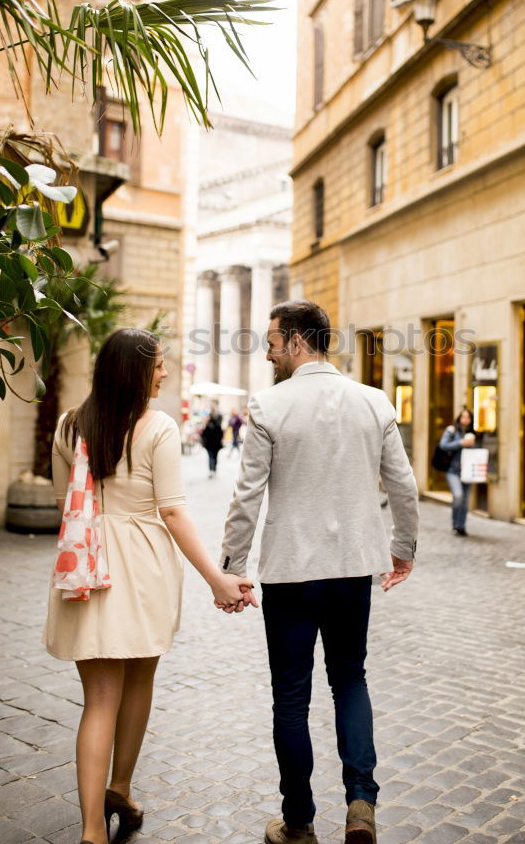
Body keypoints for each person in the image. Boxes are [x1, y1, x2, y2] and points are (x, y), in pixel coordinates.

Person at [219, 300, 419, 844]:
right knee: (350, 680)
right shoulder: (373, 402)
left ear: (299, 342)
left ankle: (300, 822)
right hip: (354, 570)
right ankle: (360, 805)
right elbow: (403, 485)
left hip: (290, 573)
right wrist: (404, 549)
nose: (266, 352)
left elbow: (246, 497)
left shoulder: (268, 405)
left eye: (272, 341)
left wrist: (232, 569)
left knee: (291, 698)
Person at [44, 328, 255, 844]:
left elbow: (62, 505)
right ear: (136, 369)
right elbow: (173, 510)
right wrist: (217, 578)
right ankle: (119, 786)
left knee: (98, 701)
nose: (164, 371)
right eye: (159, 364)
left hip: (86, 566)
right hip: (142, 568)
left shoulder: (69, 426)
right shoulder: (157, 427)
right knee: (139, 681)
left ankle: (93, 828)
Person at [438, 407, 476, 536]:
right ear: (459, 418)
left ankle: (461, 526)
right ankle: (455, 523)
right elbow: (443, 445)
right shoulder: (452, 430)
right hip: (453, 470)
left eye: (468, 417)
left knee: (465, 501)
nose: (465, 419)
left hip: (468, 471)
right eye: (463, 417)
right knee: (458, 496)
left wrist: (473, 444)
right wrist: (461, 443)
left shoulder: (474, 433)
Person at [200, 402, 224, 477]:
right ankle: (212, 469)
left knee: (213, 456)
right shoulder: (210, 417)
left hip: (214, 441)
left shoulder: (218, 417)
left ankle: (212, 469)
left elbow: (220, 430)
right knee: (212, 456)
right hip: (212, 441)